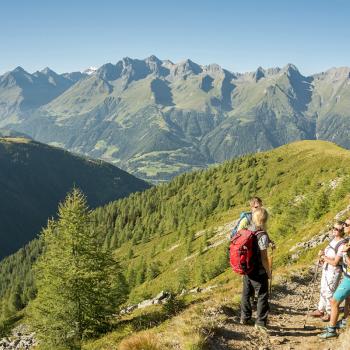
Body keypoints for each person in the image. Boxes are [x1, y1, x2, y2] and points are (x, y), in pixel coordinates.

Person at [240, 207, 272, 332]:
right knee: (262, 295)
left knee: (246, 293)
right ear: (264, 220)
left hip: (247, 268)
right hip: (258, 270)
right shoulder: (262, 235)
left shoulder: (248, 230)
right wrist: (268, 272)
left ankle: (245, 317)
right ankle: (260, 323)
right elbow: (264, 258)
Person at [309, 221, 346, 321]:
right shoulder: (333, 240)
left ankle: (330, 313)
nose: (334, 230)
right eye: (333, 228)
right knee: (323, 289)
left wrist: (323, 257)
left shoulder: (342, 245)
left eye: (337, 229)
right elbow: (328, 255)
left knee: (329, 292)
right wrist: (322, 258)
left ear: (342, 231)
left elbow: (335, 262)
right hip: (326, 268)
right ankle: (320, 310)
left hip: (334, 271)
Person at [319, 219, 350, 339]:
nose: (344, 226)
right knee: (348, 301)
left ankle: (331, 329)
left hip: (349, 278)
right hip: (347, 275)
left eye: (346, 225)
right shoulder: (347, 240)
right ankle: (344, 323)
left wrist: (345, 254)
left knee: (334, 301)